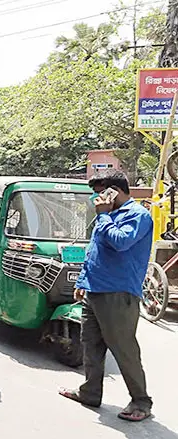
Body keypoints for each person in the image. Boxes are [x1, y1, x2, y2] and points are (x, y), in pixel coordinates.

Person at [59, 169, 153, 422]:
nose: (97, 199)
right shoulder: (107, 216)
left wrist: (103, 216)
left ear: (115, 191)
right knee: (90, 344)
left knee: (123, 348)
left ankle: (141, 401)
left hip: (118, 292)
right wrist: (82, 280)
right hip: (94, 290)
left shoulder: (138, 215)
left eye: (101, 193)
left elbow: (121, 242)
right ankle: (90, 391)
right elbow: (95, 251)